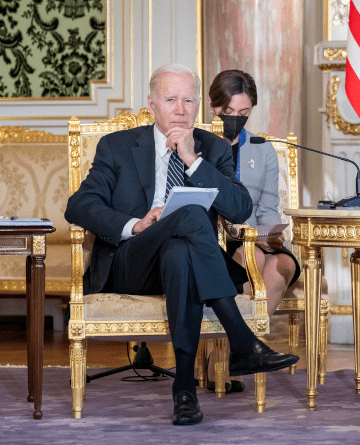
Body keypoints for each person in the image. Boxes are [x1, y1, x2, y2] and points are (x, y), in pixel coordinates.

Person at [64, 64, 299, 426]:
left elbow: (239, 208)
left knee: (180, 252)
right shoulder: (118, 146)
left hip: (187, 266)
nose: (180, 109)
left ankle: (185, 392)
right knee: (190, 214)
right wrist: (135, 224)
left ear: (198, 106)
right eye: (171, 99)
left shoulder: (212, 147)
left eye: (188, 100)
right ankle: (242, 340)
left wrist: (192, 159)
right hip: (132, 261)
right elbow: (78, 206)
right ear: (152, 104)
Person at [202, 69, 301, 394]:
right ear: (212, 106)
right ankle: (234, 356)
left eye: (244, 113)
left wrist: (272, 233)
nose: (236, 120)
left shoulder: (261, 149)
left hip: (258, 236)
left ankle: (233, 355)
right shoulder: (196, 145)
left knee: (283, 264)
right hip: (216, 243)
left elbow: (268, 210)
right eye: (229, 113)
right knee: (253, 256)